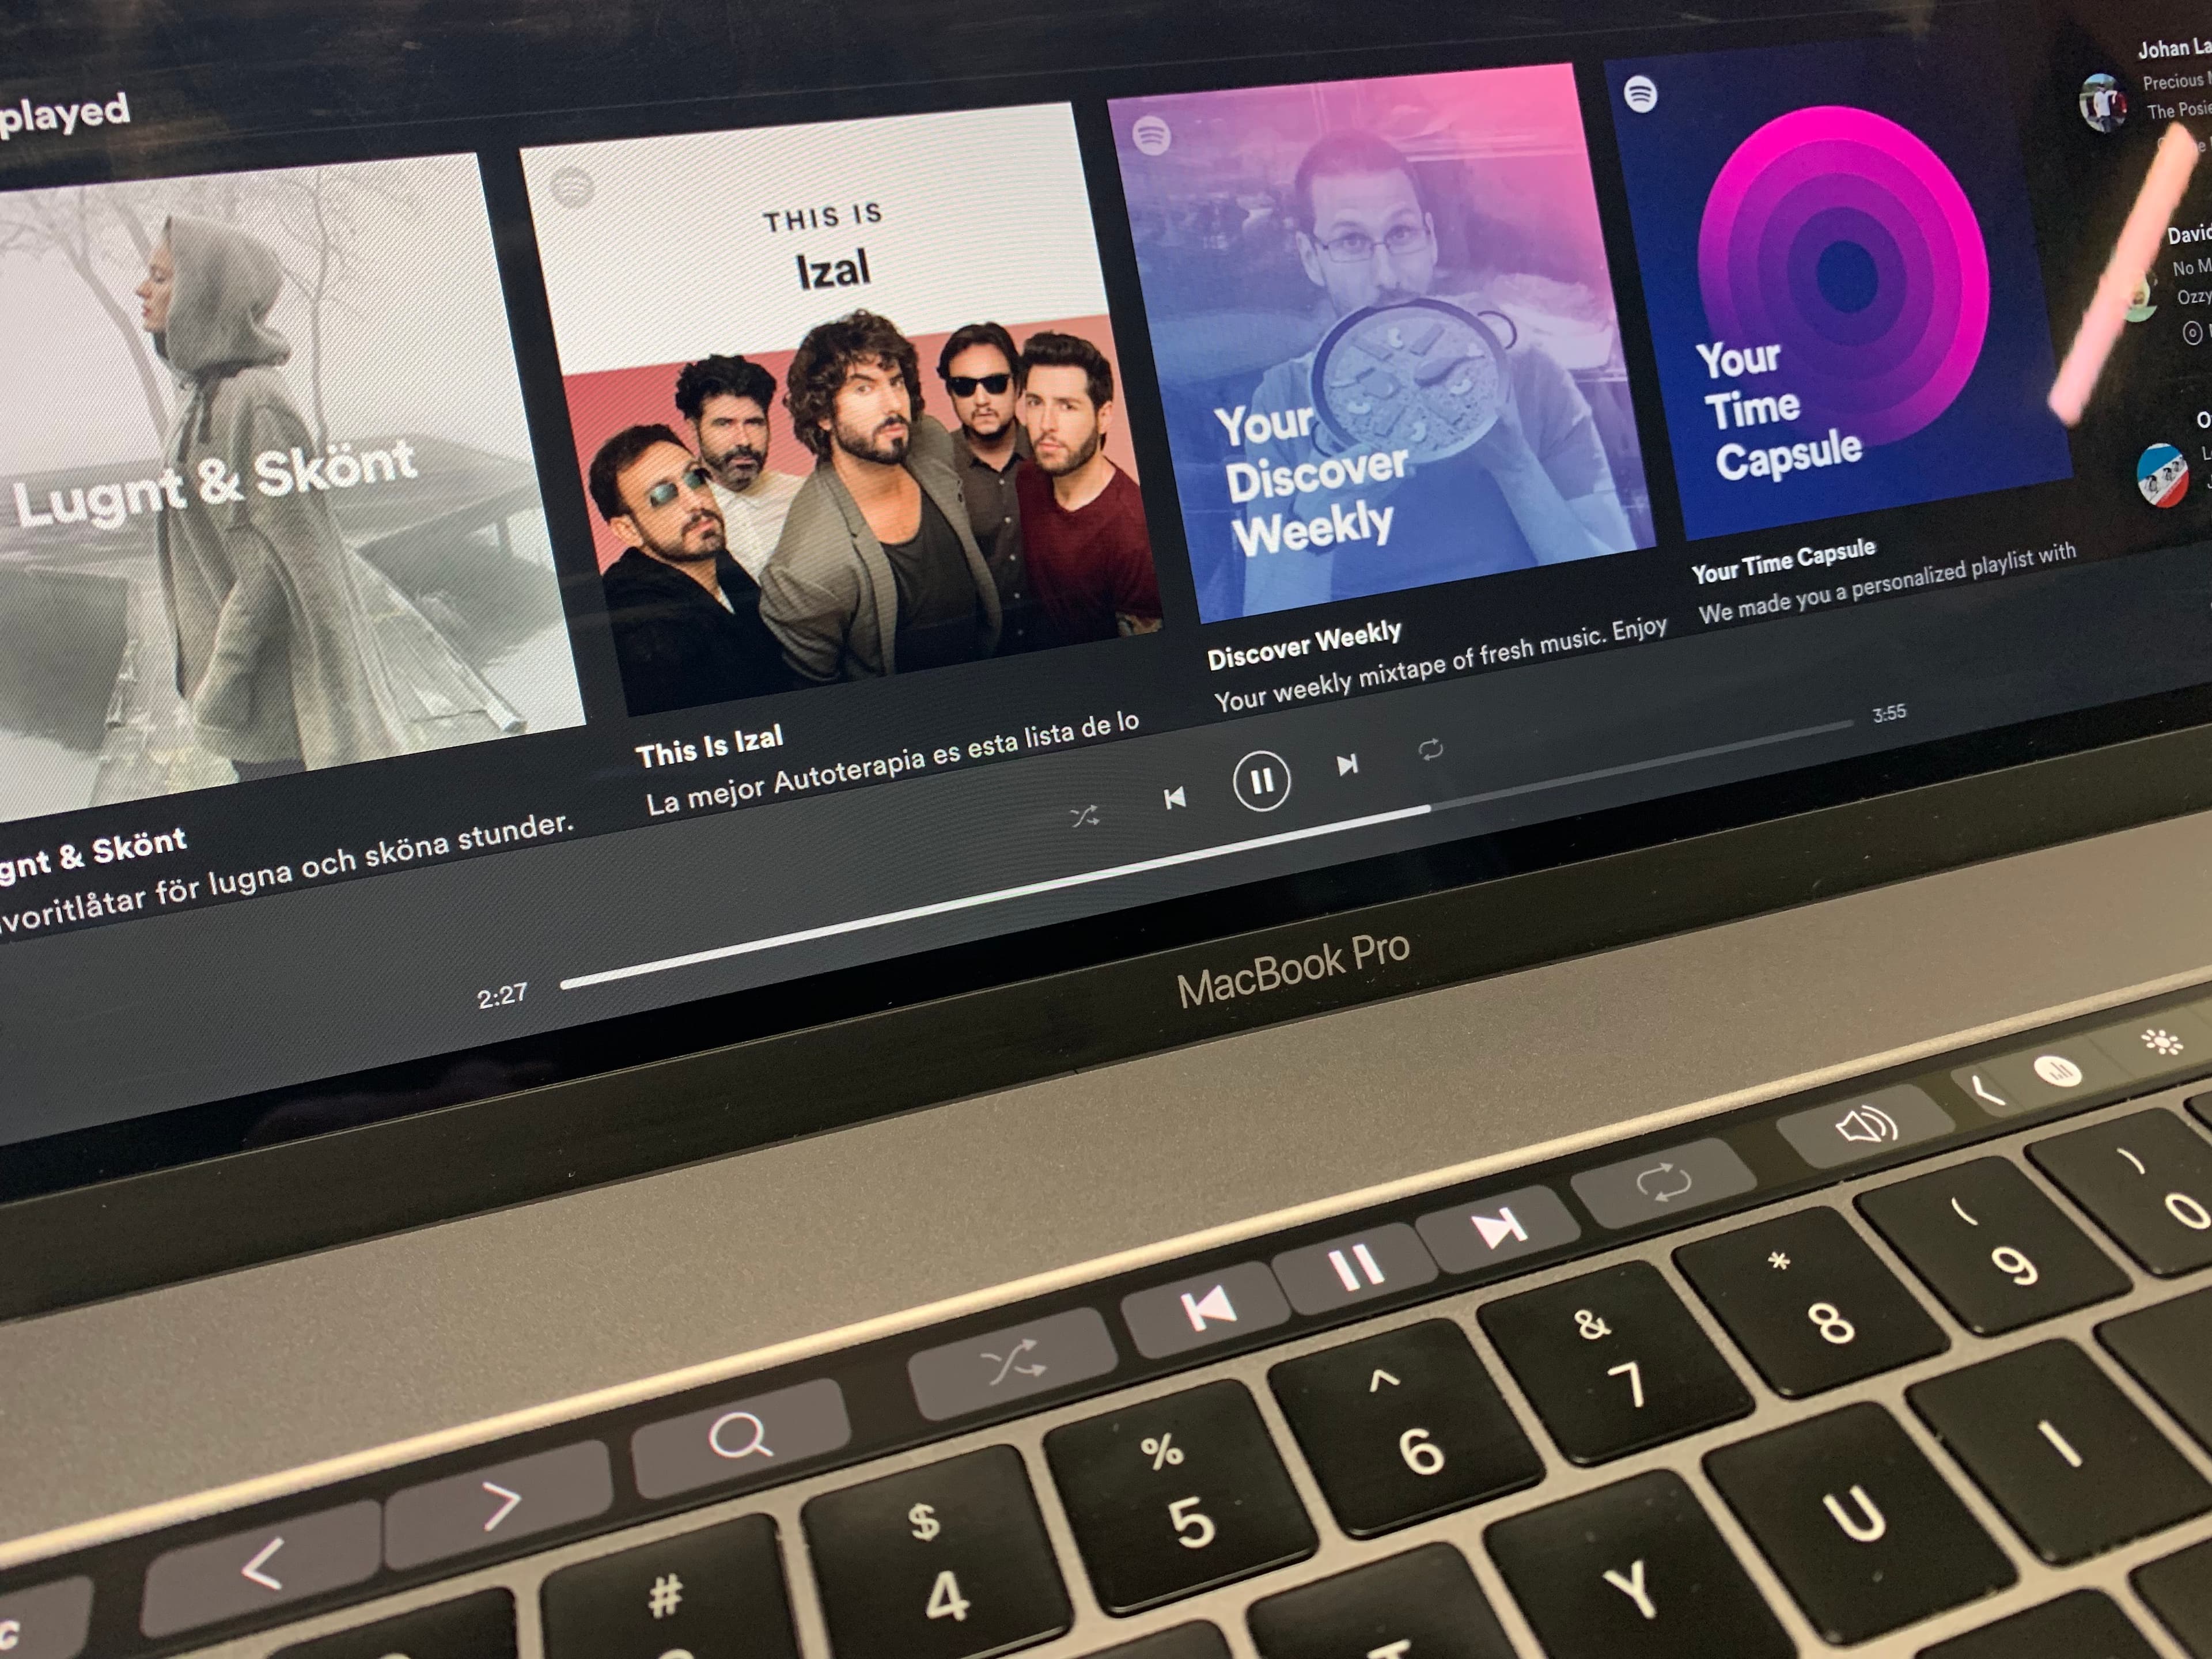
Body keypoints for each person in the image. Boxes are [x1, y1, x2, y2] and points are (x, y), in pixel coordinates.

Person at [1240, 130, 1633, 615]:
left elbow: (1620, 595)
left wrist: (1516, 467)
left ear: (1430, 238)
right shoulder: (1282, 399)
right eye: (1351, 241)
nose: (1387, 275)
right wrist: (1317, 524)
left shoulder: (1529, 373)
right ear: (1310, 259)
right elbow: (1263, 636)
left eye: (1401, 233)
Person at [138, 217, 404, 780]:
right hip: (248, 705)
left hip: (275, 708)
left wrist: (219, 687)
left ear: (203, 294)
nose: (142, 290)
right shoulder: (204, 396)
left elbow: (268, 572)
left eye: (159, 277)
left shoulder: (255, 403)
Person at [762, 310, 999, 681]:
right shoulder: (805, 570)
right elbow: (815, 709)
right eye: (864, 388)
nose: (893, 405)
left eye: (896, 382)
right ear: (823, 414)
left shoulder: (931, 441)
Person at [591, 423, 790, 715]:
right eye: (663, 495)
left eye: (695, 478)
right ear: (628, 530)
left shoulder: (717, 563)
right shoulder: (644, 634)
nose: (696, 502)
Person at [1013, 333, 1161, 643]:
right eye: (1035, 402)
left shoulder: (1135, 533)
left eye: (1067, 406)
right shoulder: (1028, 479)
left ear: (1104, 417)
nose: (1046, 423)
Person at [937, 321, 1041, 653]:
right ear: (951, 393)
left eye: (995, 383)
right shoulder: (932, 469)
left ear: (1019, 385)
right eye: (964, 387)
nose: (981, 400)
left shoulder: (1054, 454)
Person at [673, 353, 805, 578]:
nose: (744, 440)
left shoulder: (802, 496)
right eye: (724, 424)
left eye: (754, 423)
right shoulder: (677, 516)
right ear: (694, 430)